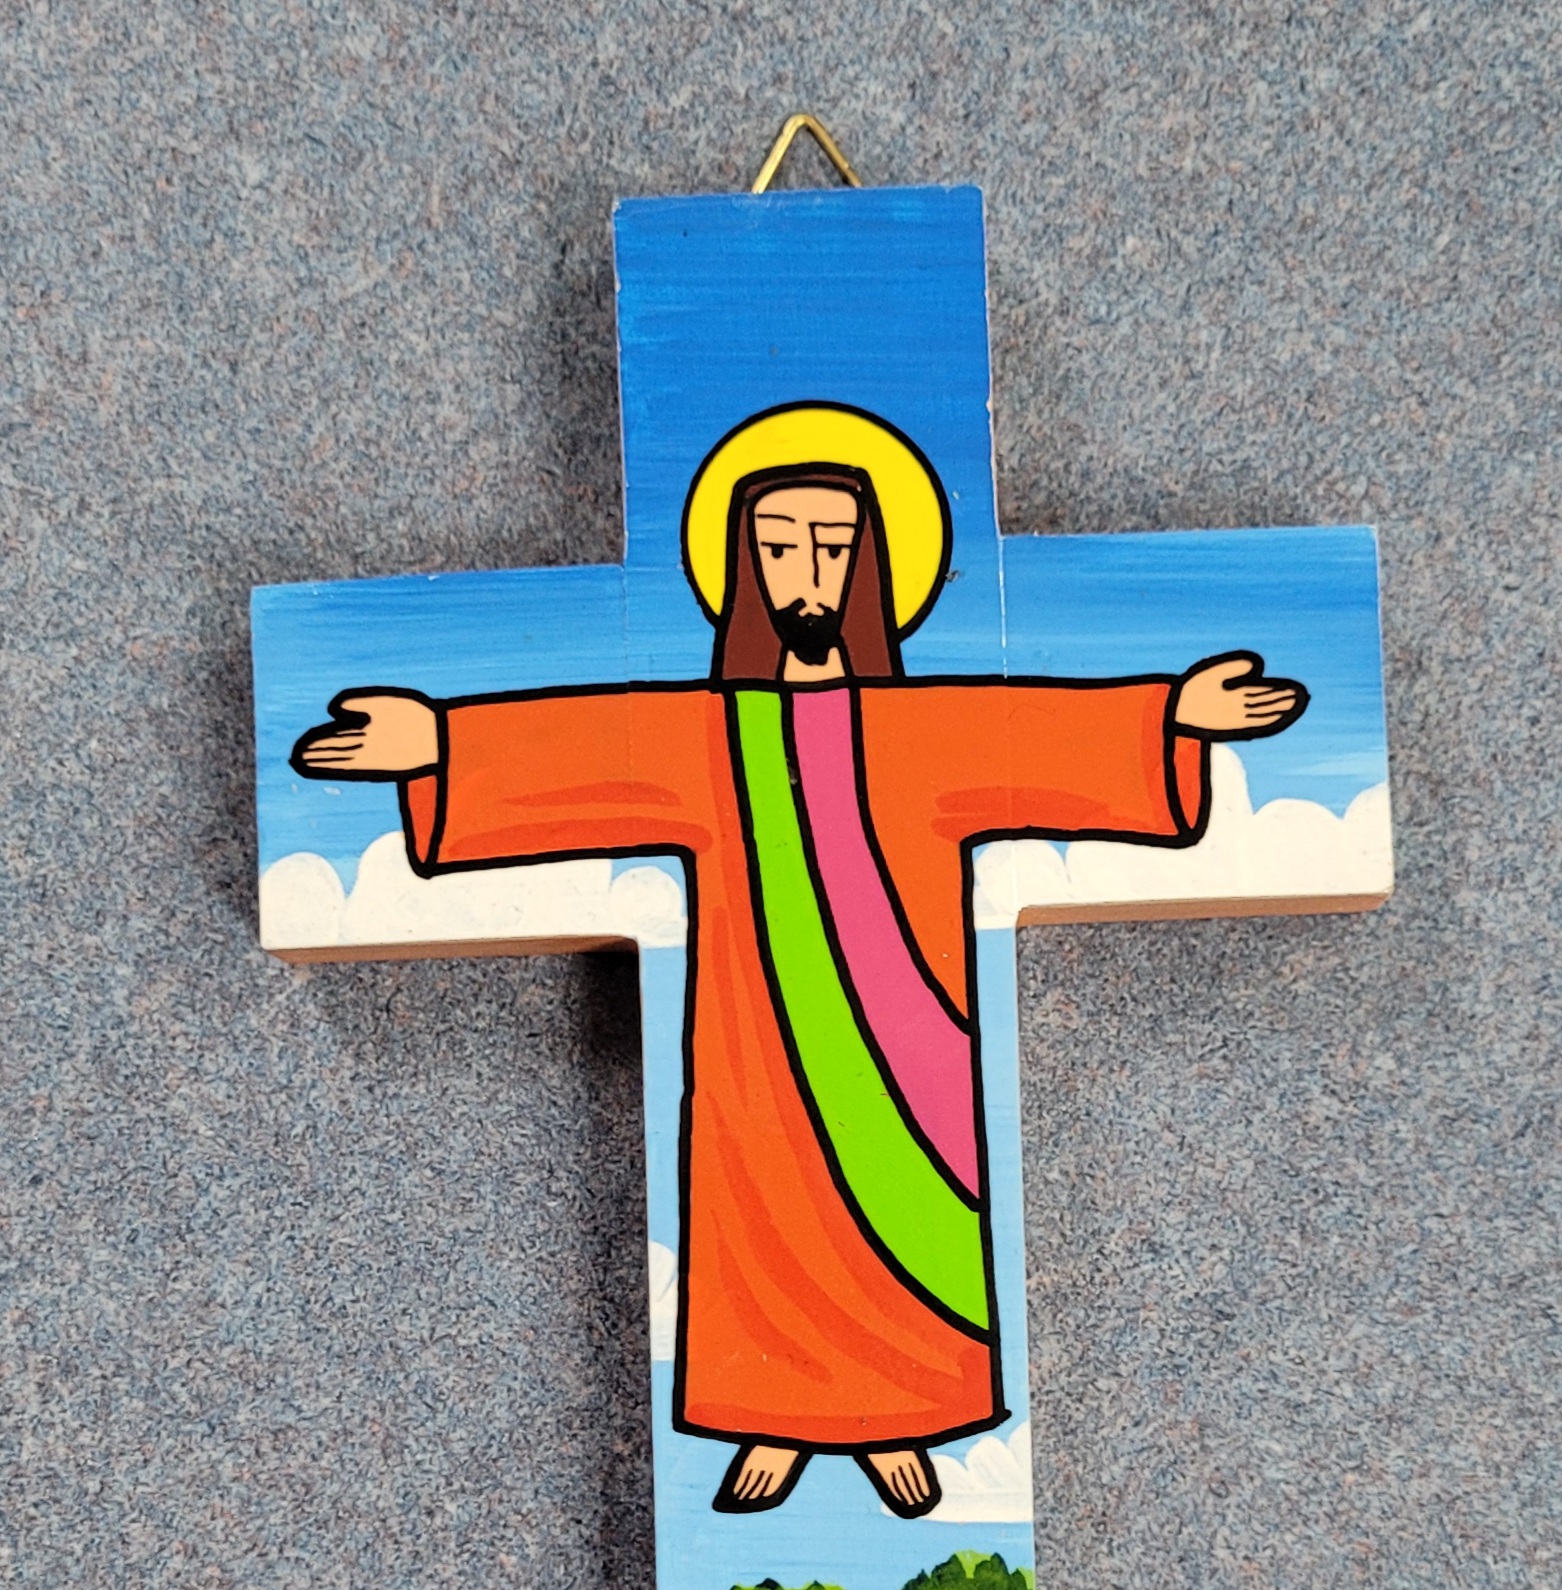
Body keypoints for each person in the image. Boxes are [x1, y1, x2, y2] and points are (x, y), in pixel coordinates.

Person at [294, 406, 1306, 1518]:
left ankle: (902, 1419)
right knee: (760, 1218)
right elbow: (591, 750)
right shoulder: (709, 736)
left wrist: (1172, 716)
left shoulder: (926, 730)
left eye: (832, 547)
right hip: (757, 1048)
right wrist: (439, 742)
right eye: (780, 548)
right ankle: (771, 1422)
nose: (807, 573)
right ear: (744, 566)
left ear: (870, 566)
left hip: (911, 1053)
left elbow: (1036, 733)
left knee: (911, 1225)